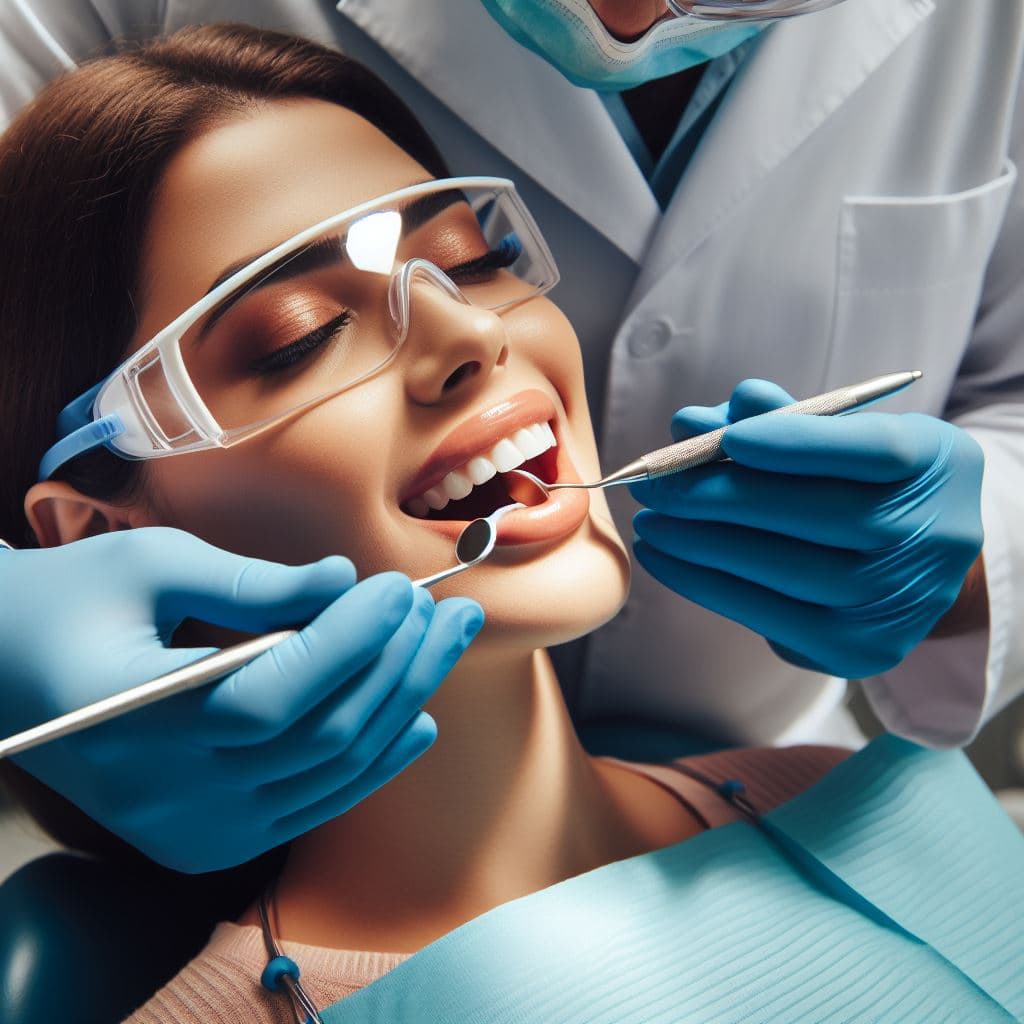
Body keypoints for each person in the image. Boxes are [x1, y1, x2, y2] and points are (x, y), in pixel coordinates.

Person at [3, 26, 1021, 1024]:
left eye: (474, 260)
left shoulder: (868, 801)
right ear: (98, 533)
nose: (469, 331)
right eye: (300, 339)